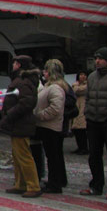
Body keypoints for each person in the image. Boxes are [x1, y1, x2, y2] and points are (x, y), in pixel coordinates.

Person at [0, 55, 43, 198]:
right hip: (17, 123)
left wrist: (10, 113)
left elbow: (26, 103)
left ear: (19, 65)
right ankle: (21, 183)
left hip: (21, 123)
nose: (13, 65)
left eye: (15, 63)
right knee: (17, 155)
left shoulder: (24, 82)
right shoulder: (23, 80)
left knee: (24, 155)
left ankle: (33, 185)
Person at [80, 47, 107, 200]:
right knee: (94, 155)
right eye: (96, 58)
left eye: (100, 58)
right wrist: (87, 112)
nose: (97, 61)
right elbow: (88, 97)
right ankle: (96, 185)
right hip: (93, 121)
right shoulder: (92, 77)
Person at [34, 59, 68, 194]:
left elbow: (55, 108)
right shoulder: (50, 86)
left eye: (46, 70)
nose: (44, 73)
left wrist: (40, 115)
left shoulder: (55, 88)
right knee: (52, 156)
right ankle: (54, 181)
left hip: (51, 127)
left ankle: (55, 183)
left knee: (53, 157)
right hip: (47, 126)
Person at [71, 71, 88, 154]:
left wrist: (76, 86)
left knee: (82, 130)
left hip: (83, 108)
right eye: (81, 74)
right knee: (76, 130)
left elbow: (78, 91)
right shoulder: (75, 85)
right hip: (76, 107)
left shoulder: (87, 85)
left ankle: (84, 148)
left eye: (84, 74)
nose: (82, 76)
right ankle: (80, 147)